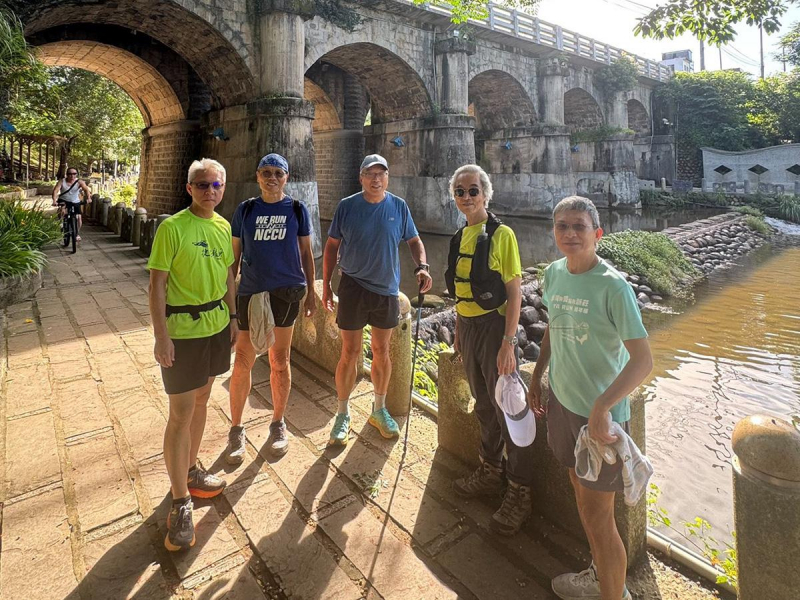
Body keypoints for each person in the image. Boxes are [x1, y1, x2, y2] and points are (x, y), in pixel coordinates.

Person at [527, 196, 653, 600]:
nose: (569, 233)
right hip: (563, 404)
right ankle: (602, 576)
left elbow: (643, 361)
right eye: (562, 226)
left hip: (599, 420)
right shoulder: (554, 274)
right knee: (583, 504)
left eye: (579, 226)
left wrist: (602, 406)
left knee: (601, 521)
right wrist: (537, 375)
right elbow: (552, 325)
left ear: (598, 234)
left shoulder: (613, 286)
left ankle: (612, 591)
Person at [148, 158, 238, 552]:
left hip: (217, 327)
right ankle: (180, 499)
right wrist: (161, 336)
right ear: (189, 189)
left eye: (216, 184)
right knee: (180, 414)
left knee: (203, 399)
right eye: (202, 185)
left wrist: (234, 317)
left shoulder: (223, 225)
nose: (210, 191)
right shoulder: (172, 228)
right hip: (182, 334)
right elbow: (157, 286)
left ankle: (191, 470)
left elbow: (229, 275)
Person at [443, 164, 534, 536]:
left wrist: (508, 343)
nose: (467, 197)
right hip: (470, 328)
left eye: (473, 190)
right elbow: (462, 294)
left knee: (509, 409)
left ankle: (520, 491)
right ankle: (490, 471)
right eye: (460, 192)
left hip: (496, 329)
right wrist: (462, 332)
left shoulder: (502, 234)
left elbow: (515, 293)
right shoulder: (457, 237)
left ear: (486, 194)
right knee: (483, 403)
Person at [322, 154, 433, 446]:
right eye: (370, 174)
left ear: (387, 178)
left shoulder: (399, 206)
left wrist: (422, 266)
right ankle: (342, 413)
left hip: (386, 290)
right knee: (349, 352)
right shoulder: (347, 206)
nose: (376, 179)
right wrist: (325, 287)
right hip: (352, 287)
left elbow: (414, 240)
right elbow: (332, 246)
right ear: (361, 177)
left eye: (381, 174)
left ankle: (379, 409)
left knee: (382, 350)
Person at [224, 154, 316, 463]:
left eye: (278, 172)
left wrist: (313, 291)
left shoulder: (297, 209)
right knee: (244, 361)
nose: (272, 177)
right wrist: (229, 300)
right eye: (266, 172)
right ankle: (236, 429)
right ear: (257, 175)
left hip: (286, 293)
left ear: (286, 177)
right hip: (251, 293)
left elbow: (306, 253)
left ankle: (278, 423)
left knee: (280, 360)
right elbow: (233, 259)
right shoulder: (246, 210)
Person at [52, 168, 92, 241]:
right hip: (64, 200)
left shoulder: (79, 182)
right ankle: (61, 223)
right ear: (67, 174)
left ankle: (76, 233)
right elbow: (56, 190)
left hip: (75, 201)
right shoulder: (62, 181)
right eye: (70, 174)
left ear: (76, 174)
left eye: (74, 174)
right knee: (62, 211)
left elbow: (86, 189)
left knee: (79, 218)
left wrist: (89, 198)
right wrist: (54, 200)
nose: (72, 175)